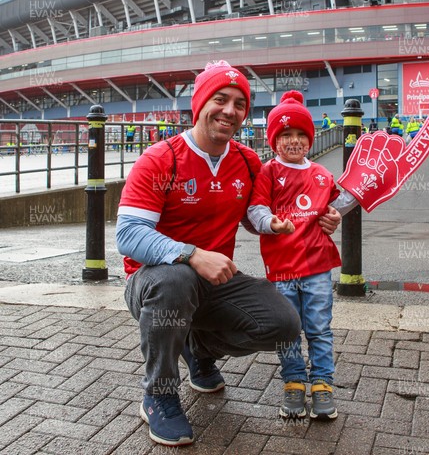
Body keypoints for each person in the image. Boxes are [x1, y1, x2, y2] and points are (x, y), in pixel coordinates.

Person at [116, 61, 340, 446]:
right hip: (156, 280)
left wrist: (314, 217)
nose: (230, 111)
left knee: (284, 324)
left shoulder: (247, 162)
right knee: (176, 280)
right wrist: (191, 253)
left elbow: (257, 218)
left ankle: (198, 350)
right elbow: (129, 234)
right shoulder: (160, 159)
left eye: (239, 103)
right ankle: (159, 393)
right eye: (220, 99)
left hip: (216, 281)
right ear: (200, 103)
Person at [247, 91, 357, 421]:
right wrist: (270, 223)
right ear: (273, 140)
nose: (293, 141)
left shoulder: (322, 176)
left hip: (317, 267)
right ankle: (293, 382)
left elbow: (337, 208)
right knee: (288, 329)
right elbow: (255, 209)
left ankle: (323, 385)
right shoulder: (267, 173)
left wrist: (335, 218)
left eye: (300, 135)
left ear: (309, 138)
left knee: (320, 329)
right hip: (281, 269)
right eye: (285, 134)